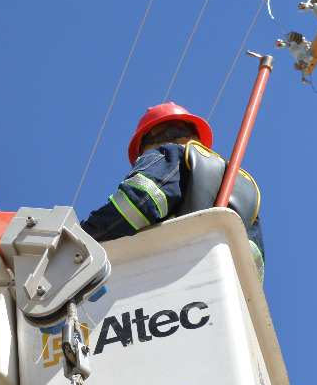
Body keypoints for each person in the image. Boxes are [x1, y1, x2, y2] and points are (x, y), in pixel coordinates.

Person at [80, 102, 266, 280]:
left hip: (162, 278)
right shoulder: (242, 185)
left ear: (156, 136)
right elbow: (252, 266)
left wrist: (81, 239)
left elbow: (138, 203)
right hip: (220, 291)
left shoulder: (168, 153)